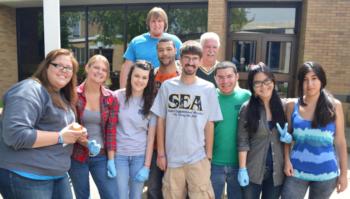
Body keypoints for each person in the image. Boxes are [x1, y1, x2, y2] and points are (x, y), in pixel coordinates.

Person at [0, 48, 85, 199]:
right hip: (26, 176)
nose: (64, 70)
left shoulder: (60, 95)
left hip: (57, 174)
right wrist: (60, 137)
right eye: (58, 65)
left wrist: (76, 136)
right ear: (46, 66)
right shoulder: (29, 90)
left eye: (69, 68)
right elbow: (15, 135)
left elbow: (54, 128)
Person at [151, 40, 223, 199]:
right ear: (180, 59)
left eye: (195, 58)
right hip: (172, 159)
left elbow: (210, 124)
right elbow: (160, 120)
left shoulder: (208, 88)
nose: (191, 62)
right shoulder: (167, 86)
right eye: (187, 58)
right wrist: (161, 154)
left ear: (200, 60)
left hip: (198, 158)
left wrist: (208, 156)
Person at [281, 61, 348, 199]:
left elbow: (340, 141)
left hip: (326, 174)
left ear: (322, 80)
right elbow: (287, 136)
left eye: (314, 78)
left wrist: (343, 175)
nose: (309, 84)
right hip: (296, 171)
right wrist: (287, 160)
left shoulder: (335, 106)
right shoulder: (292, 105)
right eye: (305, 80)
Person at [237, 64, 291, 199]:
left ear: (273, 82)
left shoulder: (284, 107)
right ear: (252, 87)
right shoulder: (247, 109)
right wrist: (242, 169)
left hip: (276, 172)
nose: (263, 86)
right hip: (253, 171)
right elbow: (243, 141)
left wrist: (290, 138)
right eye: (258, 83)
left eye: (267, 81)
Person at [69, 55, 118, 199]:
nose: (100, 72)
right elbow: (71, 125)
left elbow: (111, 130)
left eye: (104, 70)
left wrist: (111, 159)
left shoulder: (110, 97)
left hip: (101, 156)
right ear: (87, 68)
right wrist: (86, 143)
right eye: (96, 67)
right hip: (78, 155)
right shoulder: (74, 94)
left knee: (111, 195)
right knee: (83, 196)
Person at [115, 60, 156, 199]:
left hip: (139, 156)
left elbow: (151, 138)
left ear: (148, 80)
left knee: (136, 196)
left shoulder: (152, 102)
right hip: (119, 155)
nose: (140, 80)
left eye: (144, 77)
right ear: (130, 76)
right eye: (137, 76)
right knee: (120, 195)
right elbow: (109, 127)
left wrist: (147, 166)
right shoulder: (117, 97)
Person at [211, 61, 251, 199]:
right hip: (214, 163)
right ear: (215, 78)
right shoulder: (209, 96)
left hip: (239, 164)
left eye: (229, 76)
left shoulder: (247, 97)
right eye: (220, 77)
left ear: (237, 76)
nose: (225, 81)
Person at [147, 37, 181, 199]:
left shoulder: (183, 76)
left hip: (176, 144)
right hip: (153, 144)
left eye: (168, 49)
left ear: (175, 50)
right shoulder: (150, 77)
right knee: (153, 189)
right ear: (157, 52)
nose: (165, 53)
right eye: (161, 50)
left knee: (175, 191)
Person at [119, 7, 182, 88]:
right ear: (148, 23)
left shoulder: (174, 41)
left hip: (170, 87)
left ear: (165, 23)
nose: (156, 24)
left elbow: (183, 64)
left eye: (160, 21)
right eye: (153, 21)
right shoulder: (136, 42)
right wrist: (123, 91)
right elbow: (126, 68)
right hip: (142, 88)